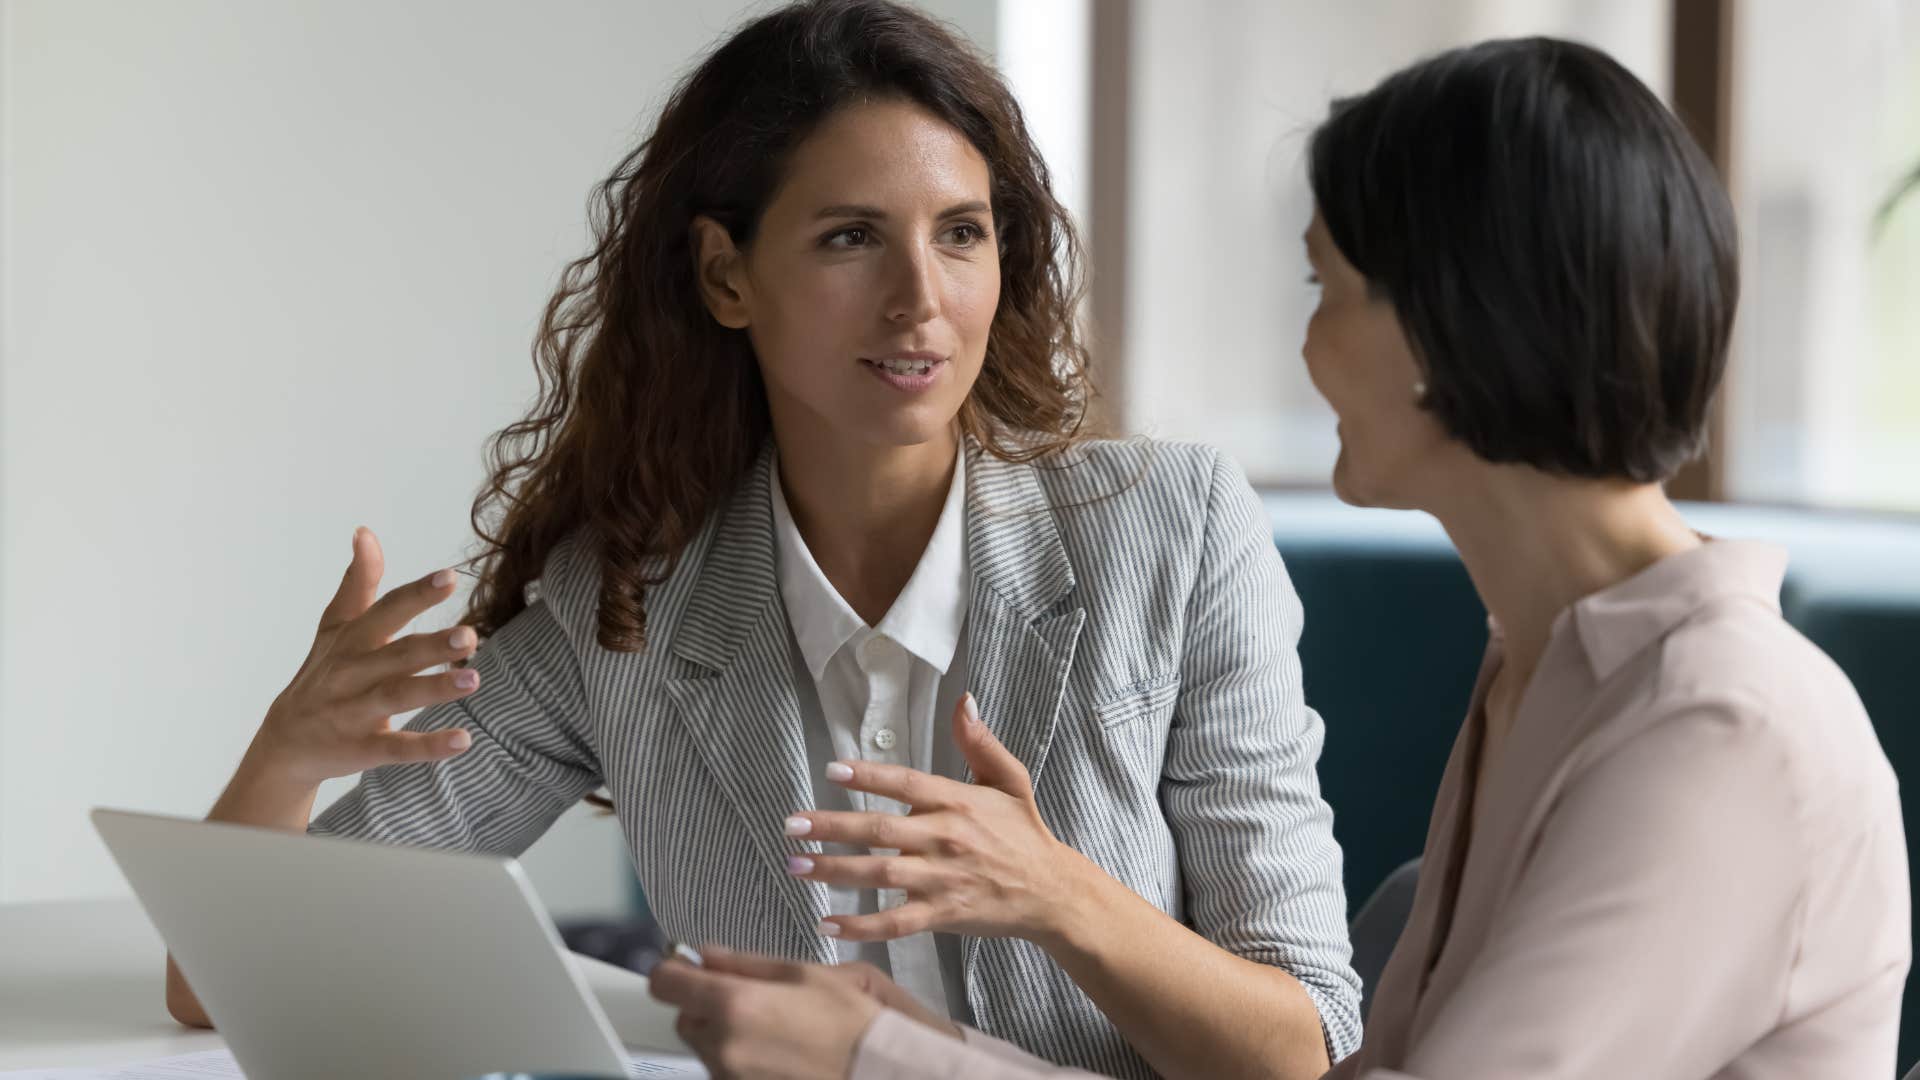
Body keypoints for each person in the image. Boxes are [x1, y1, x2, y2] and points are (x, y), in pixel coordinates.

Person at [650, 35, 1910, 1080]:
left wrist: (894, 1060)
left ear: (1445, 325)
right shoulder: (1549, 669)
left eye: (1326, 289)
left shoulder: (1719, 725)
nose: (1306, 352)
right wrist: (923, 1046)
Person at [160, 2, 1362, 1076]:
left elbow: (1303, 1046)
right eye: (850, 237)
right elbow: (217, 984)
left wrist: (1062, 899)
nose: (921, 300)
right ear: (726, 275)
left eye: (961, 232)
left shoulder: (1174, 531)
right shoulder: (622, 607)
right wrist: (289, 752)